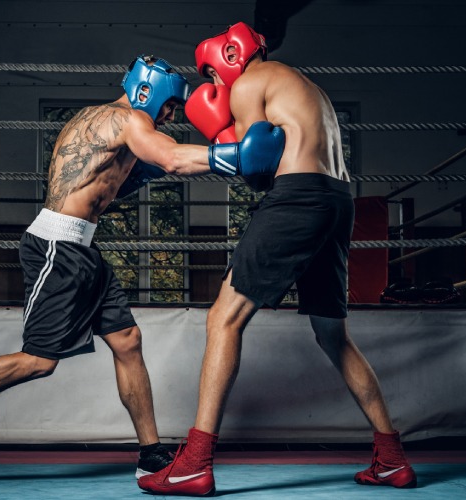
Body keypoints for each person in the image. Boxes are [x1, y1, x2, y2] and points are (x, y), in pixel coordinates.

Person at [0, 54, 284, 483]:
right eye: (169, 106)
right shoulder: (128, 121)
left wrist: (136, 173)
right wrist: (235, 156)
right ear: (146, 91)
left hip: (82, 249)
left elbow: (95, 184)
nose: (170, 116)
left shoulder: (97, 120)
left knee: (128, 341)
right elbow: (172, 159)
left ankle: (151, 453)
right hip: (58, 246)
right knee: (39, 361)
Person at [138, 23, 417, 496]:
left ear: (228, 56)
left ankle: (194, 463)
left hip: (298, 198)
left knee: (223, 320)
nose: (217, 85)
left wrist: (221, 133)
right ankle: (391, 458)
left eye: (212, 74)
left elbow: (257, 168)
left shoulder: (249, 84)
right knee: (333, 335)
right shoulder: (307, 87)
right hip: (338, 200)